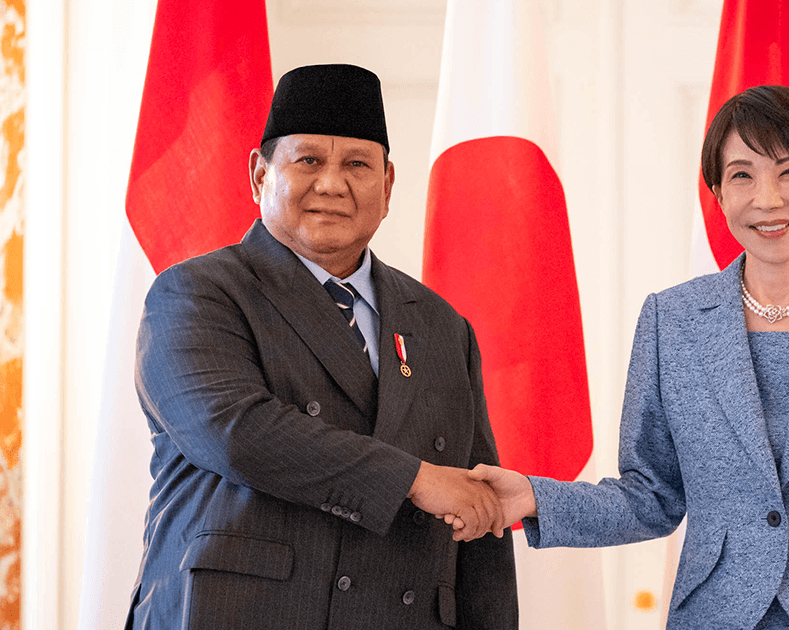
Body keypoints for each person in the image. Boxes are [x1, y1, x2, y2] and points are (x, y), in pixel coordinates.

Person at [456, 85, 789, 629]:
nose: (767, 198)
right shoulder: (671, 321)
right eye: (742, 175)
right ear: (718, 193)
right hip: (716, 616)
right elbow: (650, 497)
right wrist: (533, 498)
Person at [126, 64, 517, 630]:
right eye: (308, 160)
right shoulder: (197, 293)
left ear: (387, 187)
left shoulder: (441, 324)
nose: (332, 184)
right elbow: (238, 434)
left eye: (357, 164)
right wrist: (415, 479)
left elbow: (477, 515)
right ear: (260, 174)